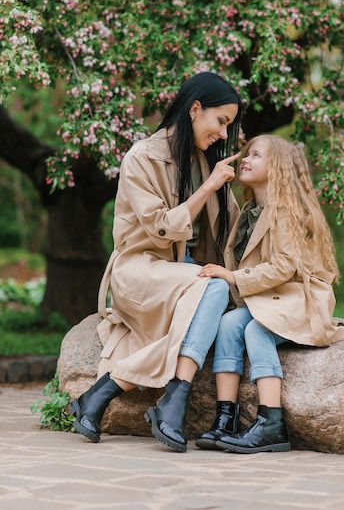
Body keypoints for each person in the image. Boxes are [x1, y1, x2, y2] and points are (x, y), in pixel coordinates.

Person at [69, 71, 243, 452]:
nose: (224, 134)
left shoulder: (206, 160)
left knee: (213, 289)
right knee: (212, 286)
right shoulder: (142, 157)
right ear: (195, 109)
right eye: (221, 121)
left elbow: (232, 232)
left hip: (185, 272)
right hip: (141, 270)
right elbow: (162, 227)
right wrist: (208, 186)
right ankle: (175, 395)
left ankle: (101, 395)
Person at [195, 135, 344, 454]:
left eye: (256, 155)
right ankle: (224, 418)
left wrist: (231, 276)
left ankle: (271, 424)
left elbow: (285, 267)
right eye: (247, 153)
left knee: (258, 330)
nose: (246, 159)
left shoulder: (285, 209)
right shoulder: (249, 211)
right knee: (229, 325)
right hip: (270, 298)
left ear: (278, 168)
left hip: (299, 298)